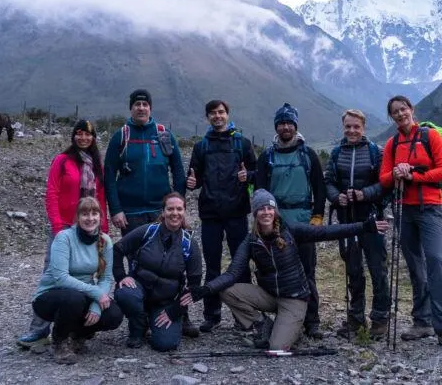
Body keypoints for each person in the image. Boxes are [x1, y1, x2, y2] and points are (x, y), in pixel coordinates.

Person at [189, 190, 388, 351]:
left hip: (294, 298)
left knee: (276, 348)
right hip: (269, 295)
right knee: (227, 290)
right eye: (261, 209)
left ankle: (291, 327)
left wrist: (364, 227)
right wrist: (206, 290)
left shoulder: (291, 231)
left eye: (270, 208)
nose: (266, 212)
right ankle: (262, 325)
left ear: (275, 212)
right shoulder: (250, 241)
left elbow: (327, 232)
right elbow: (232, 274)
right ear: (255, 214)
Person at [104, 89, 197, 337]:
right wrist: (116, 209)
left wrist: (176, 204)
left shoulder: (164, 135)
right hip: (131, 212)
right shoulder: (121, 136)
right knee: (137, 264)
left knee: (175, 263)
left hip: (161, 212)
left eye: (145, 104)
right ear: (131, 108)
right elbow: (109, 176)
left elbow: (178, 169)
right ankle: (141, 315)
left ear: (151, 108)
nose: (141, 108)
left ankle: (181, 313)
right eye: (137, 104)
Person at [379, 95, 442, 349]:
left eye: (403, 109)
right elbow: (384, 178)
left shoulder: (431, 137)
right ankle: (422, 321)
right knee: (415, 266)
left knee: (436, 261)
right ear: (391, 116)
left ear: (412, 109)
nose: (400, 114)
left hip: (430, 208)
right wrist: (396, 173)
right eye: (395, 112)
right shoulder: (392, 143)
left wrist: (414, 175)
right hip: (403, 211)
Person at [17, 119, 109, 348]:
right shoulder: (62, 161)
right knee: (52, 273)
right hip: (65, 227)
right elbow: (52, 193)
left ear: (94, 138)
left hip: (90, 227)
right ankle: (38, 329)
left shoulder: (97, 164)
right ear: (73, 136)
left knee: (89, 273)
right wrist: (58, 226)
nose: (84, 138)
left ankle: (77, 328)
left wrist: (103, 227)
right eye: (79, 134)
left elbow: (100, 197)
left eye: (88, 135)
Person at [255, 102, 326, 339]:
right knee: (277, 270)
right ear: (277, 127)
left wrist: (317, 215)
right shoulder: (267, 156)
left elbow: (319, 187)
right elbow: (260, 191)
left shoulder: (308, 155)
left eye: (289, 123)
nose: (285, 127)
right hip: (275, 221)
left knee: (307, 271)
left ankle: (312, 320)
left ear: (295, 126)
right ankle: (283, 316)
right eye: (281, 123)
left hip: (304, 221)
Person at [186, 99, 257, 332]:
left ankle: (244, 315)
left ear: (228, 114)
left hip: (237, 212)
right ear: (207, 117)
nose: (217, 116)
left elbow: (256, 174)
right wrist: (192, 182)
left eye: (221, 112)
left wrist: (250, 176)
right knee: (213, 265)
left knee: (242, 265)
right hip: (211, 215)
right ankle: (212, 315)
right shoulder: (201, 147)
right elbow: (194, 180)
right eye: (213, 113)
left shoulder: (243, 143)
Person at [31, 197, 122, 364]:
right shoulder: (64, 238)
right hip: (51, 295)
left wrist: (96, 306)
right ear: (77, 217)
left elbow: (105, 278)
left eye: (94, 213)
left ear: (100, 217)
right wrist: (96, 293)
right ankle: (60, 340)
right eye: (85, 214)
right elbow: (61, 278)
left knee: (113, 314)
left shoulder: (105, 241)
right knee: (74, 298)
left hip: (81, 295)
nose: (90, 218)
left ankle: (78, 336)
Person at [324, 109, 390, 339]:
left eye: (356, 127)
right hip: (346, 221)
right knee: (353, 271)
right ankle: (356, 319)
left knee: (377, 269)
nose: (352, 130)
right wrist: (336, 197)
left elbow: (385, 185)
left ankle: (380, 319)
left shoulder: (375, 153)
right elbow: (329, 182)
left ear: (364, 128)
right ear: (344, 127)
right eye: (348, 126)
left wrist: (364, 194)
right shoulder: (336, 153)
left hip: (372, 219)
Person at [113, 192, 203, 351]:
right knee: (124, 293)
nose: (174, 213)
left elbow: (193, 288)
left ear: (184, 212)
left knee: (166, 344)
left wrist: (174, 311)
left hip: (166, 301)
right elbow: (118, 249)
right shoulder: (148, 231)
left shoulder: (189, 244)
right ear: (163, 212)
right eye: (170, 209)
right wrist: (121, 276)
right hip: (138, 290)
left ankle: (163, 321)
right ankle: (138, 327)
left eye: (179, 209)